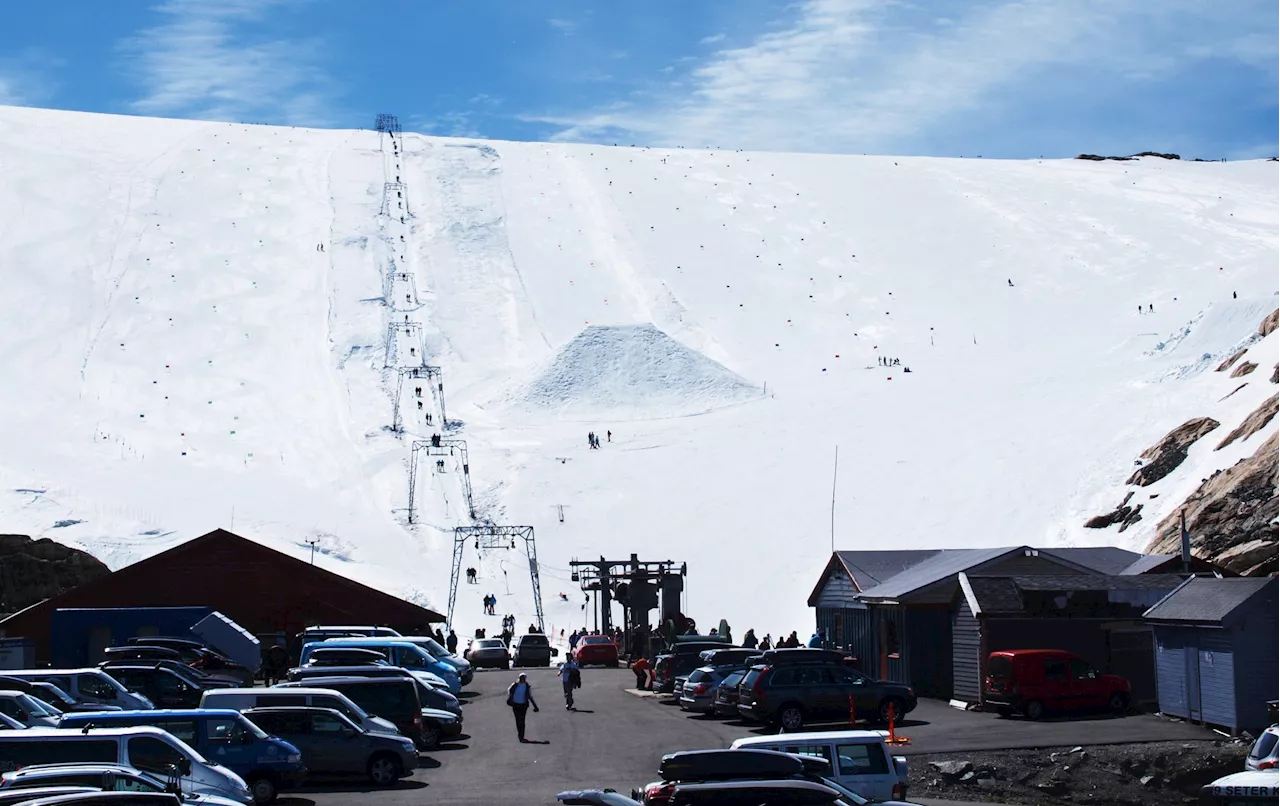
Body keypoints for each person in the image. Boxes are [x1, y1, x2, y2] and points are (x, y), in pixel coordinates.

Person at [506, 673, 539, 742]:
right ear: (519, 678)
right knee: (518, 721)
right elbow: (509, 690)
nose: (522, 679)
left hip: (523, 705)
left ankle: (521, 736)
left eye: (524, 677)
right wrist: (511, 698)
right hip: (515, 705)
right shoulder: (515, 685)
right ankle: (520, 736)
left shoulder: (527, 686)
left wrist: (535, 706)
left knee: (522, 721)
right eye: (521, 677)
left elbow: (530, 696)